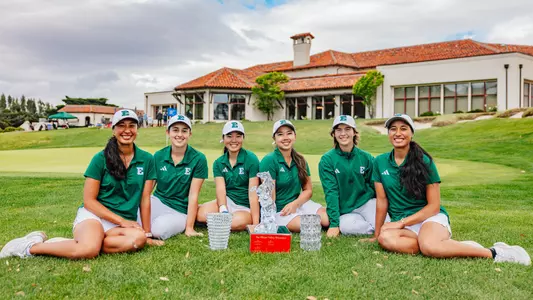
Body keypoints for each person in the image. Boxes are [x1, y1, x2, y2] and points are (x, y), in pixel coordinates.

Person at [0, 109, 160, 260]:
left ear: (137, 129)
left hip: (119, 226)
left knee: (138, 239)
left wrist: (147, 234)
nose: (127, 130)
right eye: (121, 126)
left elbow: (145, 199)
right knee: (88, 250)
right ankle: (30, 246)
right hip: (95, 216)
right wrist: (121, 221)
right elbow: (89, 201)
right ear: (113, 129)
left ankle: (79, 242)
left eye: (131, 126)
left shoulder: (147, 159)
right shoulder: (100, 158)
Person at [372, 113, 531, 265]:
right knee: (385, 239)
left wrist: (400, 223)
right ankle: (448, 245)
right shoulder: (380, 162)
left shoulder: (424, 161)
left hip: (428, 219)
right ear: (388, 133)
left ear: (412, 133)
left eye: (403, 128)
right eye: (393, 129)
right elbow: (382, 200)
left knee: (429, 247)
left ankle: (495, 252)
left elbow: (433, 207)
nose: (398, 133)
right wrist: (377, 234)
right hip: (407, 226)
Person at [319, 115, 388, 238]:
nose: (343, 133)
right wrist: (334, 224)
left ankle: (380, 227)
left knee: (386, 224)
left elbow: (376, 187)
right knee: (346, 227)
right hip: (346, 209)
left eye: (347, 129)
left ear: (354, 132)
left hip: (367, 202)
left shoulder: (366, 158)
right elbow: (331, 192)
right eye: (338, 130)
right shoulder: (327, 160)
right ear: (333, 134)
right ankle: (375, 229)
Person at [142, 114, 207, 239]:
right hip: (158, 201)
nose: (180, 134)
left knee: (159, 231)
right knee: (131, 214)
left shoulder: (199, 159)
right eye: (175, 130)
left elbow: (193, 195)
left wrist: (189, 228)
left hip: (179, 210)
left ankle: (174, 223)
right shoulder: (158, 156)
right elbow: (148, 191)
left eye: (184, 131)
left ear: (190, 134)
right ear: (168, 132)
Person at [259, 119, 329, 232]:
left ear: (295, 136)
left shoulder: (300, 160)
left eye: (289, 133)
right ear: (274, 139)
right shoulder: (269, 160)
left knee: (327, 219)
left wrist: (295, 204)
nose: (285, 137)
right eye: (280, 134)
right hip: (280, 211)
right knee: (310, 225)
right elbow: (270, 199)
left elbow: (308, 190)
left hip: (299, 204)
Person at [197, 121, 260, 231]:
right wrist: (223, 209)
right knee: (201, 215)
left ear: (243, 138)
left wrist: (256, 224)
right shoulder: (219, 162)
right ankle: (215, 216)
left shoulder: (251, 159)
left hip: (245, 206)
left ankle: (216, 221)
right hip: (227, 201)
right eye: (229, 136)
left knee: (235, 222)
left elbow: (253, 194)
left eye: (238, 136)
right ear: (223, 138)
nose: (234, 140)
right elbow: (221, 189)